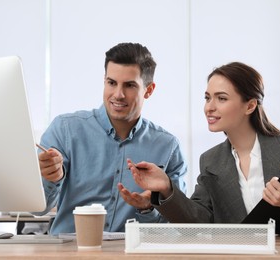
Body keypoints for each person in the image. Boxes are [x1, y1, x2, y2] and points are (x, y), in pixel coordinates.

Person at [127, 61, 280, 235]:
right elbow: (198, 222)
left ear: (250, 106)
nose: (210, 107)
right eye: (207, 97)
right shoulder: (211, 160)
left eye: (221, 98)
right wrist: (165, 187)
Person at [35, 42, 187, 235]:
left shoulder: (168, 147)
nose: (118, 95)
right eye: (112, 83)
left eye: (130, 85)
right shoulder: (65, 129)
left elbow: (178, 225)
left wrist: (146, 208)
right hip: (70, 252)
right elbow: (37, 209)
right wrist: (50, 179)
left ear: (148, 90)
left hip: (131, 254)